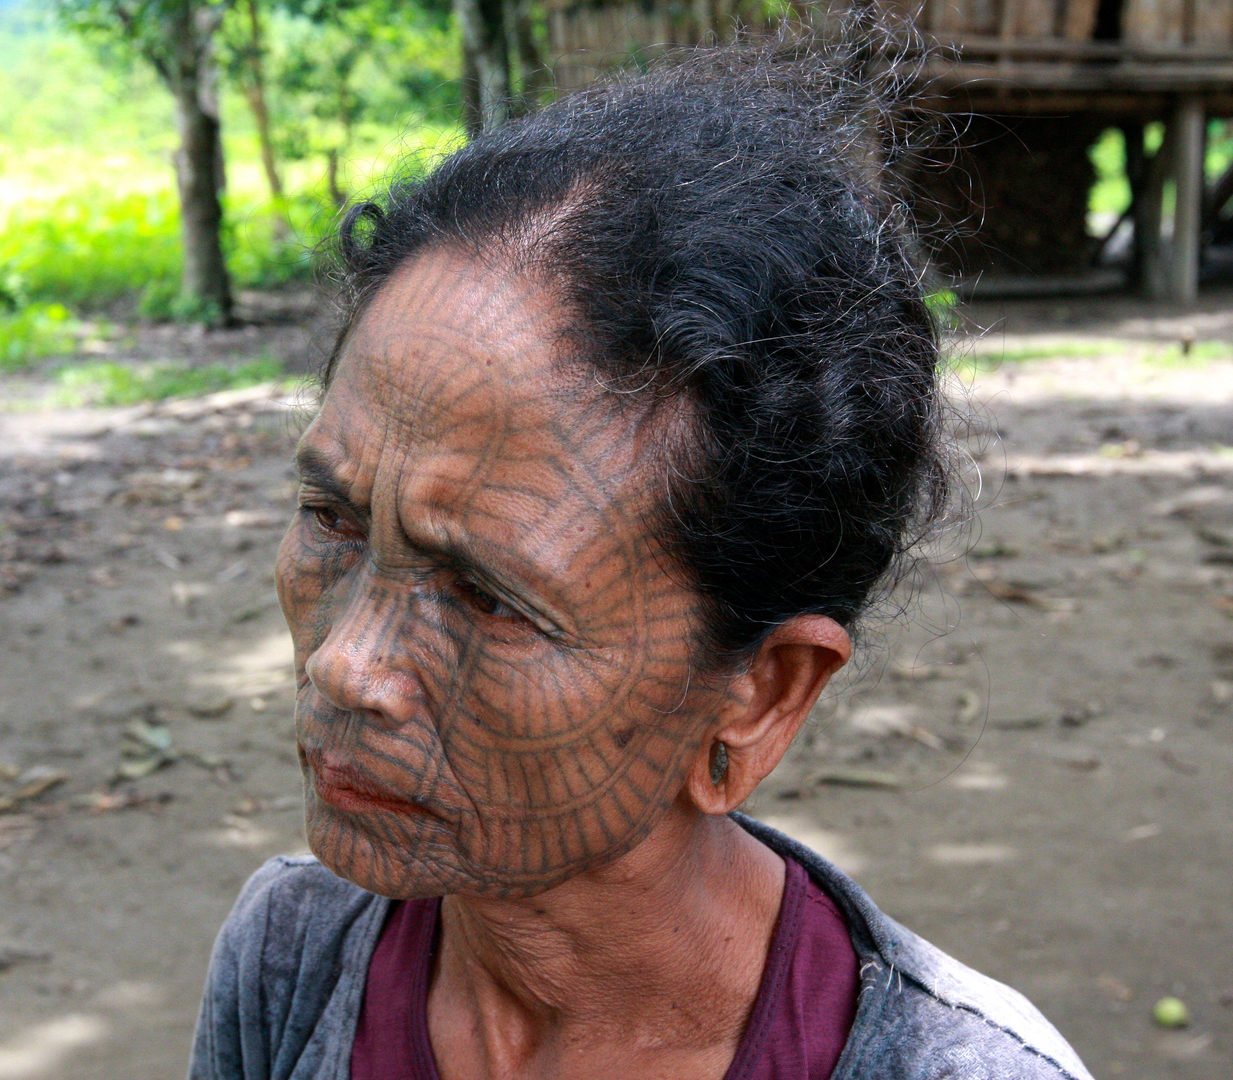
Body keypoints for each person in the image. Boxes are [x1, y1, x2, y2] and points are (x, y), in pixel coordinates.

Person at [189, 42, 1095, 1080]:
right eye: (333, 518)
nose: (345, 667)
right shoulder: (291, 955)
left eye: (489, 596)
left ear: (760, 694)